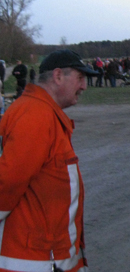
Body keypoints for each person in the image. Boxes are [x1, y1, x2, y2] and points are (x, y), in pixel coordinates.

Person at [0, 49, 97, 272]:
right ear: (57, 76)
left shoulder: (43, 113)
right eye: (80, 78)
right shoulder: (36, 116)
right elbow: (6, 184)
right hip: (36, 261)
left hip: (48, 258)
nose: (84, 87)